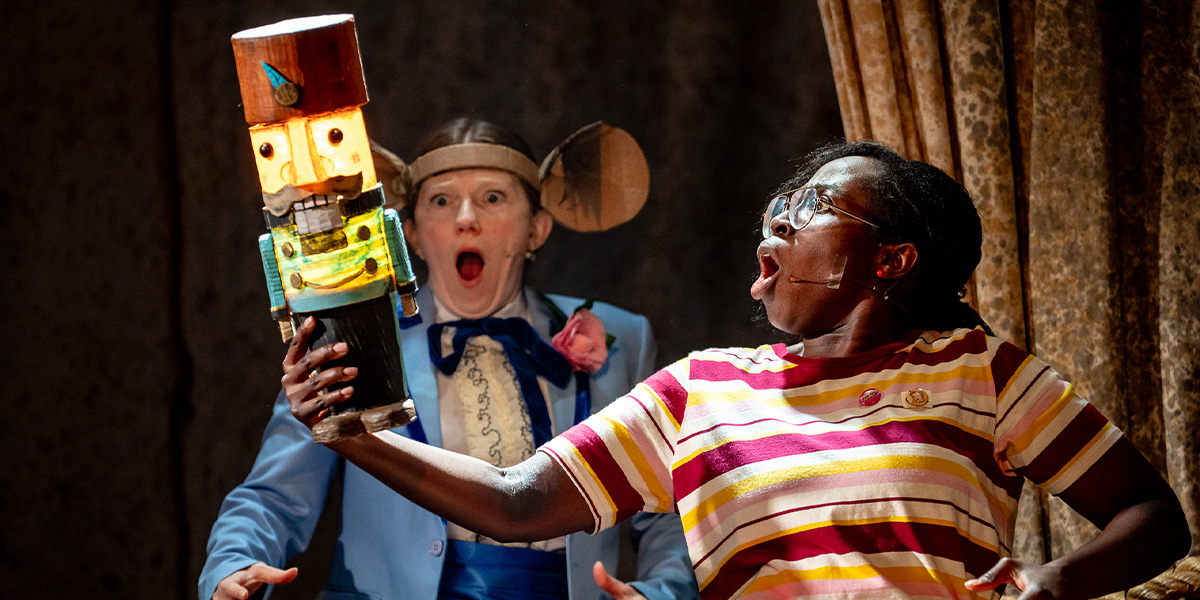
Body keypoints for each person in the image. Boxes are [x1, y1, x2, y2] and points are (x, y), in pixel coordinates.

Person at [284, 140, 1192, 600]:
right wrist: (348, 431)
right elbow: (518, 501)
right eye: (779, 205)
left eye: (814, 203)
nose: (780, 217)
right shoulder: (701, 386)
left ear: (893, 260)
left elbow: (1155, 518)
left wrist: (1051, 582)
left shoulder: (978, 369)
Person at [200, 118, 699, 600]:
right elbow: (273, 496)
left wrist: (659, 593)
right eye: (442, 201)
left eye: (492, 197)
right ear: (412, 235)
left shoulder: (622, 340)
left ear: (537, 230)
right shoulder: (351, 339)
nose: (466, 218)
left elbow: (669, 511)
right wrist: (234, 566)